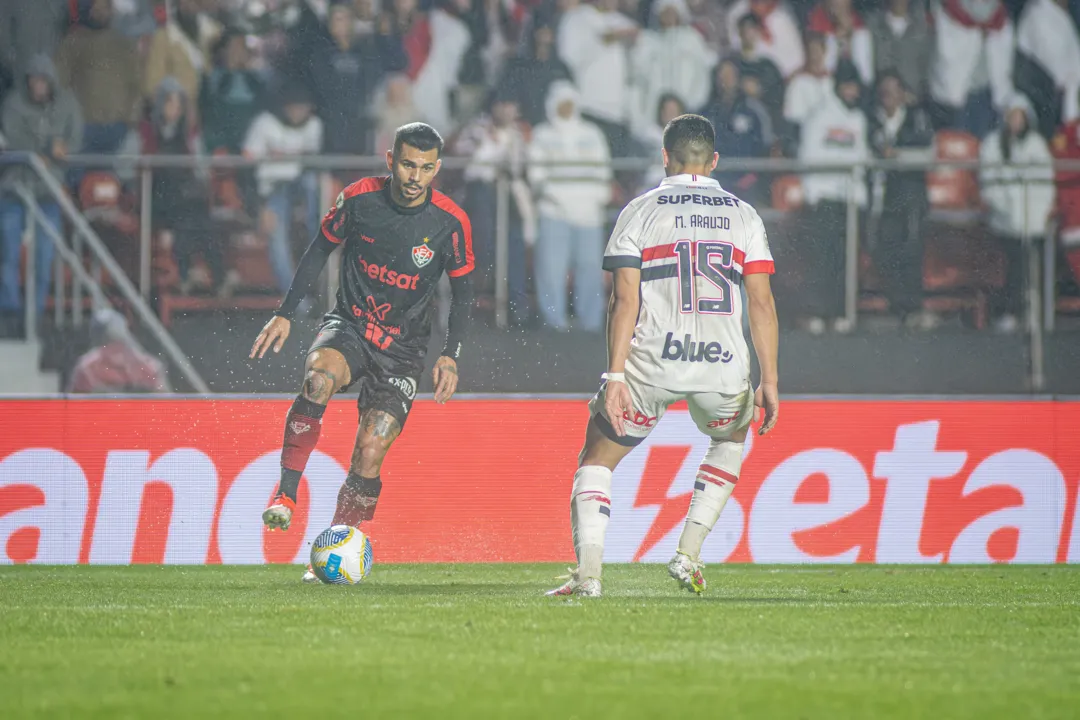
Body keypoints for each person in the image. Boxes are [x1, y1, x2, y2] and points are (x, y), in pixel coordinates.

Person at [546, 114, 779, 597]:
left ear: (665, 157)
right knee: (731, 441)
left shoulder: (641, 210)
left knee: (596, 459)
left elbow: (623, 300)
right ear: (714, 161)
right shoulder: (743, 214)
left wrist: (614, 375)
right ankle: (687, 553)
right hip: (723, 365)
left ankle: (588, 576)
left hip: (652, 362)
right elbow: (761, 301)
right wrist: (770, 379)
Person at [251, 123, 474, 583]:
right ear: (390, 159)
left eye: (426, 168)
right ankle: (285, 495)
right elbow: (318, 252)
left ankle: (339, 540)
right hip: (350, 326)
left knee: (370, 449)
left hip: (403, 351)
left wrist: (450, 353)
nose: (416, 176)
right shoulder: (358, 199)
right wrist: (286, 313)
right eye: (408, 164)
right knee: (317, 379)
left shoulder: (450, 222)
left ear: (437, 169)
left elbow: (466, 294)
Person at [0, 54, 82, 327]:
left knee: (45, 255)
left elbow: (73, 141)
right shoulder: (13, 104)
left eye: (43, 80)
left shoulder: (66, 104)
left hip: (48, 191)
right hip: (15, 190)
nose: (39, 86)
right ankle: (9, 310)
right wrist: (47, 150)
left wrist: (59, 152)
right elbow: (14, 140)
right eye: (34, 80)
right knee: (7, 252)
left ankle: (35, 314)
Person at [527, 81, 612, 332]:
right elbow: (536, 173)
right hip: (555, 212)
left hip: (588, 215)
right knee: (551, 270)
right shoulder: (542, 134)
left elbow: (603, 169)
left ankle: (591, 324)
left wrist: (595, 199)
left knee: (589, 269)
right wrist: (555, 198)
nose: (566, 107)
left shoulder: (592, 133)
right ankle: (553, 323)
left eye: (569, 102)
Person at [979, 94, 1055, 333]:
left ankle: (1031, 310)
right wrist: (1005, 206)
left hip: (1033, 216)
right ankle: (1009, 310)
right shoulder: (993, 144)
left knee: (1032, 260)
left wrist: (1036, 211)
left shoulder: (1036, 145)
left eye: (1019, 117)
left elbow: (1045, 182)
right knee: (1013, 261)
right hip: (1003, 218)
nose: (1015, 121)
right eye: (1012, 116)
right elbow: (988, 182)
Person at [867, 72, 936, 329]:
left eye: (893, 90)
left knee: (911, 249)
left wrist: (897, 155)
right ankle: (895, 306)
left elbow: (928, 155)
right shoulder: (872, 120)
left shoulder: (917, 119)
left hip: (911, 194)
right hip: (883, 195)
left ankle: (913, 307)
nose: (889, 96)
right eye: (884, 91)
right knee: (887, 249)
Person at [243, 83, 325, 294]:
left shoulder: (314, 125)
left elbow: (314, 167)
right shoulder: (264, 124)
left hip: (302, 192)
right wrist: (259, 207)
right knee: (277, 238)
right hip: (270, 192)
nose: (298, 112)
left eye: (303, 107)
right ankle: (296, 302)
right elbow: (246, 171)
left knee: (311, 182)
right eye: (294, 106)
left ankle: (319, 235)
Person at [67, 308, 171, 393]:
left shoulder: (148, 367)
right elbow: (72, 409)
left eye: (116, 340)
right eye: (108, 340)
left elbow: (165, 408)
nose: (114, 349)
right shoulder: (87, 369)